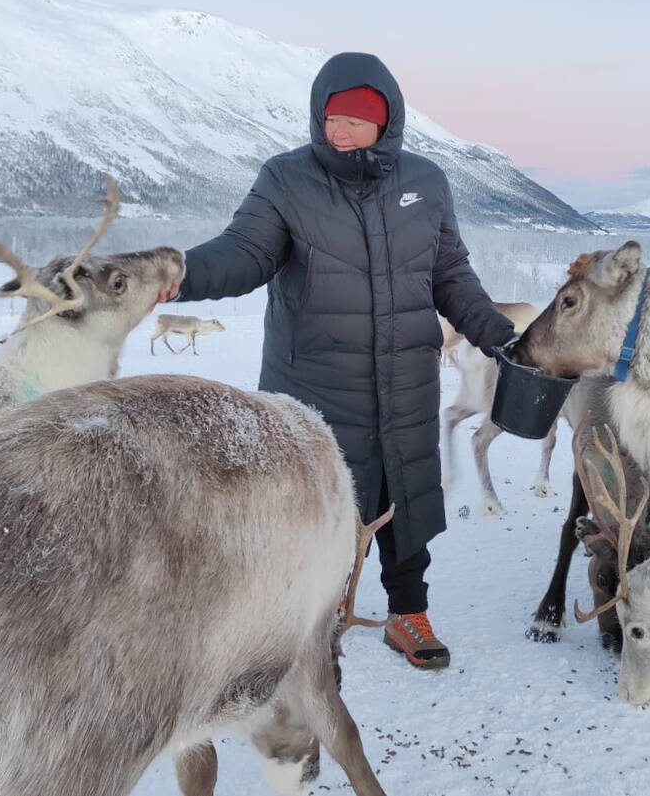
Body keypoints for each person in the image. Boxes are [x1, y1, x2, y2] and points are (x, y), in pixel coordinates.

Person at [164, 51, 516, 669]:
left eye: (356, 120)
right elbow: (243, 252)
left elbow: (450, 274)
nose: (340, 130)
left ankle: (408, 615)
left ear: (387, 121)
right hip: (315, 385)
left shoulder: (427, 184)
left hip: (404, 380)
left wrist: (496, 332)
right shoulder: (285, 180)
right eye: (332, 118)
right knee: (315, 511)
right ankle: (312, 624)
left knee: (404, 502)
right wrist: (177, 273)